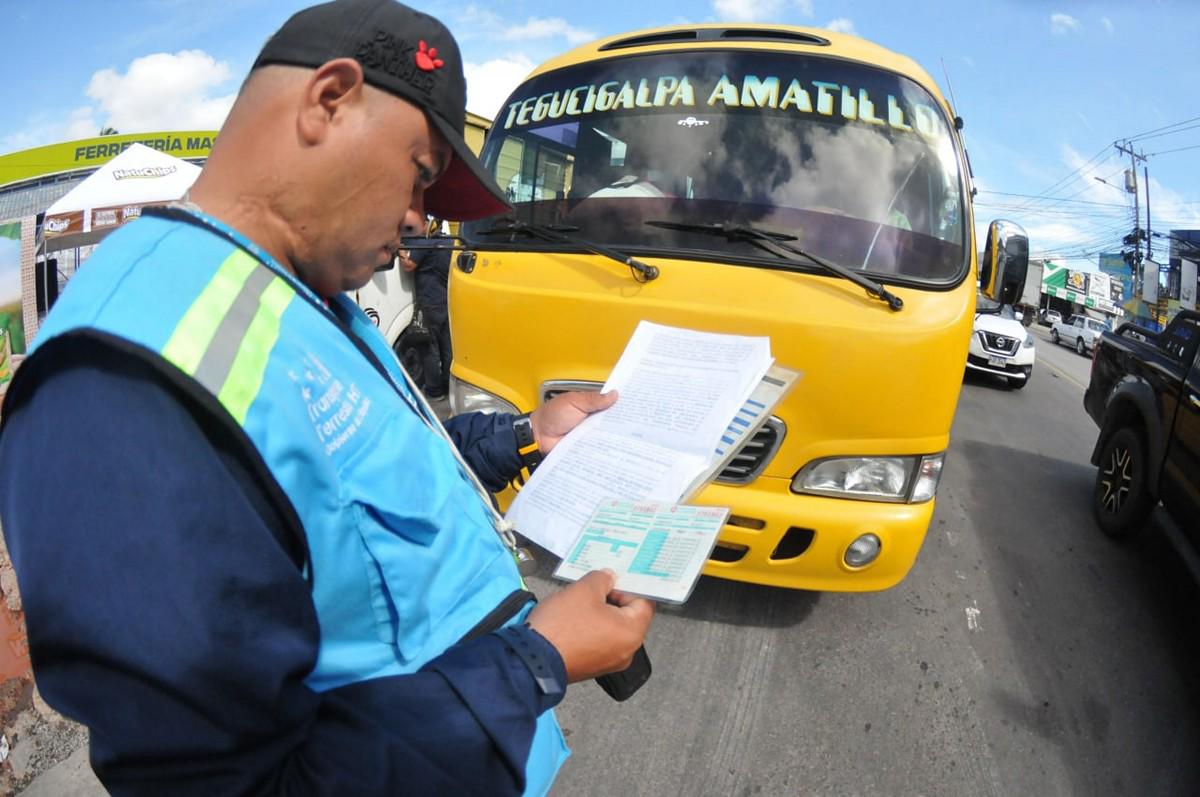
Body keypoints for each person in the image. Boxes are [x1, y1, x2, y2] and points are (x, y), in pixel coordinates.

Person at [0, 1, 654, 795]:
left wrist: (521, 436)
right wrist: (532, 664)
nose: (421, 222)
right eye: (420, 176)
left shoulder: (300, 293)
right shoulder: (122, 386)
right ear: (328, 100)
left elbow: (366, 473)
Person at [399, 218, 453, 398]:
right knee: (447, 348)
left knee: (429, 348)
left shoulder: (424, 243)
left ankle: (434, 391)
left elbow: (409, 266)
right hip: (446, 300)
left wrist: (398, 248)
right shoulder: (449, 242)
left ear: (426, 226)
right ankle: (448, 386)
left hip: (430, 301)